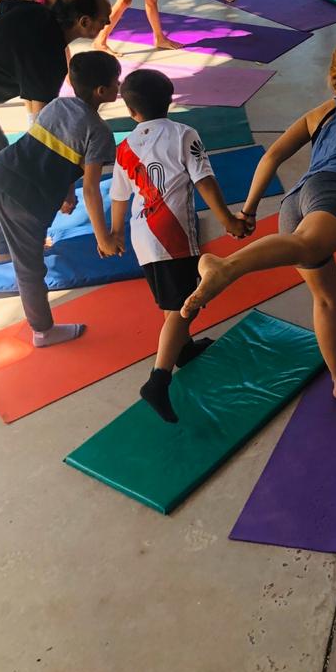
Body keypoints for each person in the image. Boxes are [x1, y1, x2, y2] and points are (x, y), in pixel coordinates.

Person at [181, 40, 336, 399]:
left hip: (296, 201)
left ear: (333, 74)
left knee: (326, 299)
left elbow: (271, 157)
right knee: (305, 248)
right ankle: (226, 268)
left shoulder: (317, 113)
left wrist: (248, 209)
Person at [109, 69, 247, 422]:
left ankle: (183, 349)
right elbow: (205, 180)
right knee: (184, 306)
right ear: (170, 100)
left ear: (131, 110)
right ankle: (158, 380)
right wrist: (229, 220)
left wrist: (113, 233)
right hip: (171, 234)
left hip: (142, 234)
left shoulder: (124, 147)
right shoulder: (184, 134)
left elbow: (120, 198)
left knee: (175, 298)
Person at [0, 50, 122, 346]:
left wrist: (66, 191)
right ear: (102, 91)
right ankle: (43, 330)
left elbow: (47, 150)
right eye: (116, 81)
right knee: (30, 270)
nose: (119, 86)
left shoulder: (58, 105)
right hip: (25, 203)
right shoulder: (98, 132)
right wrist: (104, 238)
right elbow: (91, 189)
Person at [0, 0, 113, 261]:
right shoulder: (49, 59)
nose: (108, 22)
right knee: (3, 171)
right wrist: (64, 191)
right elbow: (47, 139)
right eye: (105, 17)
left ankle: (5, 240)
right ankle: (5, 246)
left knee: (1, 169)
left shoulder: (31, 10)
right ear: (84, 22)